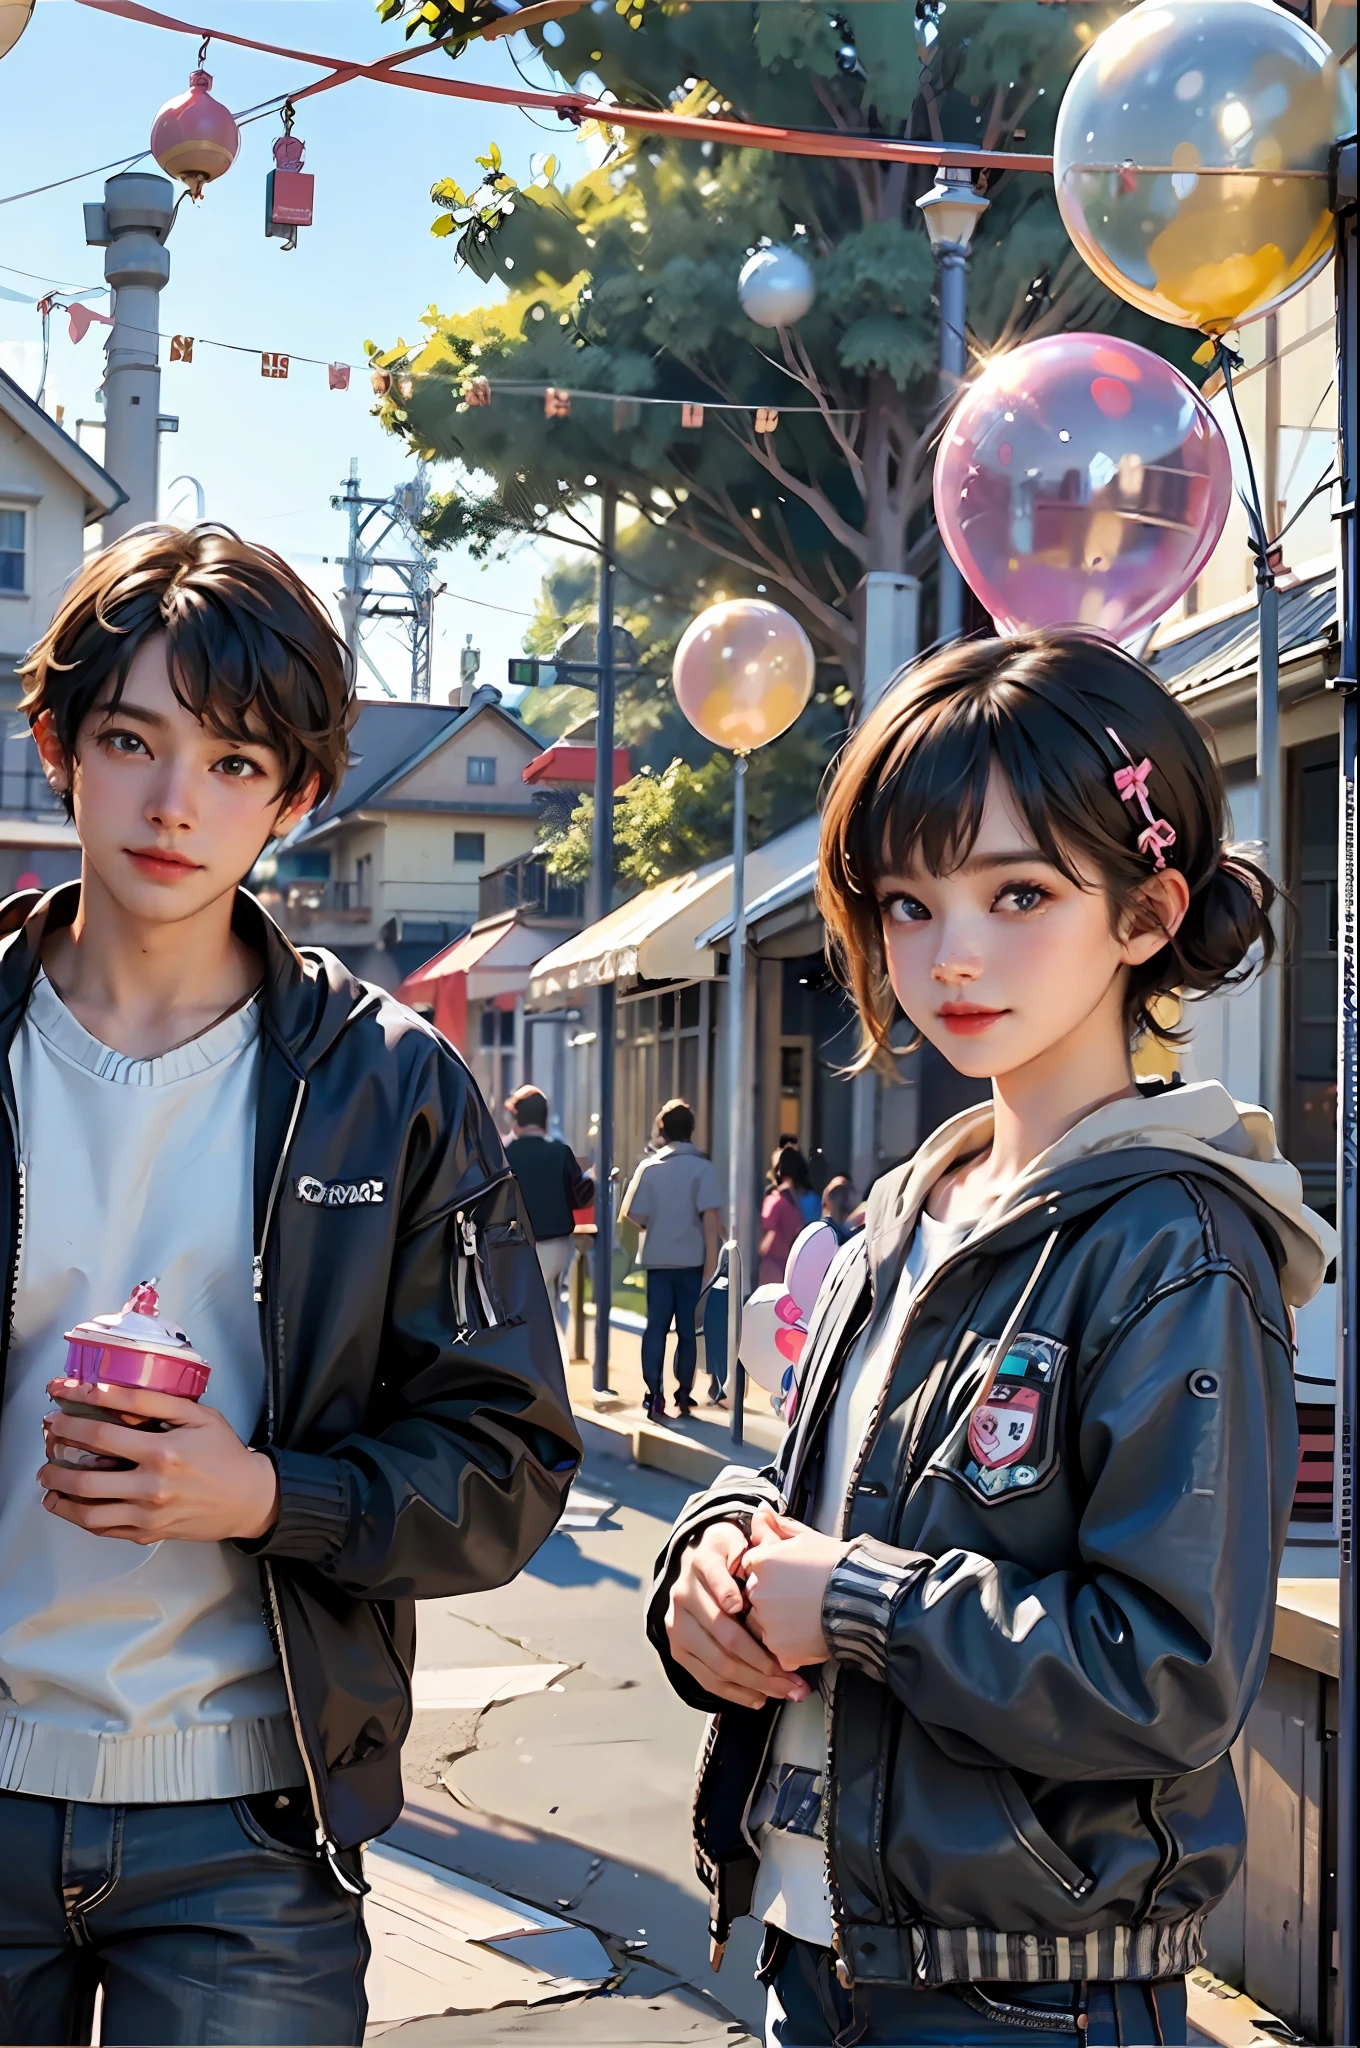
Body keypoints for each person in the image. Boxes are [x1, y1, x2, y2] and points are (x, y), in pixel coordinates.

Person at [647, 630, 1333, 2047]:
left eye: (1019, 892)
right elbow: (826, 1508)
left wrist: (853, 1604)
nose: (951, 954)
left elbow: (1171, 1677)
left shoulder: (1176, 1247)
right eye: (908, 903)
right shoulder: (909, 1212)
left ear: (1145, 913)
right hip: (814, 1948)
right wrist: (710, 1567)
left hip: (1032, 1997)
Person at [0, 525, 580, 2047]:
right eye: (132, 740)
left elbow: (508, 1465)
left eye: (237, 762)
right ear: (61, 745)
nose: (174, 802)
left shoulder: (390, 1088)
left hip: (249, 1822)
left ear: (300, 796)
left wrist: (263, 1495)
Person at [620, 1098, 724, 1423]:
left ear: (662, 1131)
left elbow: (633, 1214)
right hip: (692, 1261)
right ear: (692, 1130)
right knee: (688, 1332)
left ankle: (654, 1394)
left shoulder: (649, 1168)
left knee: (656, 1328)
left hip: (658, 1261)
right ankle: (683, 1396)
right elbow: (711, 1221)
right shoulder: (703, 1168)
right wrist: (711, 1264)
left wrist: (658, 1223)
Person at [504, 1083, 590, 1320]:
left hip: (514, 1242)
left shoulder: (504, 1155)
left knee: (522, 1304)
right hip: (556, 1242)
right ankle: (552, 1351)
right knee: (549, 1298)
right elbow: (578, 1197)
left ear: (517, 1119)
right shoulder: (561, 1152)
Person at [760, 1145, 811, 1284]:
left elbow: (768, 1237)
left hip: (774, 1265)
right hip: (790, 1265)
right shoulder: (796, 1200)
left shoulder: (775, 1199)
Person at [819, 1175, 860, 1244]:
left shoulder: (854, 1231)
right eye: (835, 1192)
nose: (839, 1196)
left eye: (844, 1191)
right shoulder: (820, 1230)